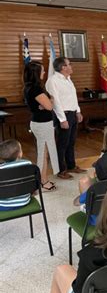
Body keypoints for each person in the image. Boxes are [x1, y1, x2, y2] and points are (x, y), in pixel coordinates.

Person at [46, 57, 86, 179]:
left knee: (71, 142)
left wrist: (78, 111)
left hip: (72, 113)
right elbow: (56, 102)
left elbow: (73, 98)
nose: (71, 66)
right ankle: (60, 170)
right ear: (63, 67)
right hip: (62, 114)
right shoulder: (52, 81)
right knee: (62, 143)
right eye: (69, 64)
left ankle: (71, 165)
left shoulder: (68, 79)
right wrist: (62, 119)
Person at [23, 61, 59, 191]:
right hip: (42, 124)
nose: (44, 72)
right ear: (36, 73)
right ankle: (42, 182)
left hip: (40, 122)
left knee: (44, 153)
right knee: (43, 154)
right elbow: (50, 106)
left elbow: (46, 105)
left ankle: (43, 179)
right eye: (42, 71)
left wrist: (46, 104)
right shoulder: (36, 89)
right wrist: (50, 102)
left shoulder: (29, 87)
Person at [73, 154, 107, 226]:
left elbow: (75, 203)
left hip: (97, 224)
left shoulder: (93, 191)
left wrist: (85, 194)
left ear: (95, 174)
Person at [0, 140, 34, 210]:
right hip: (24, 201)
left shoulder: (1, 169)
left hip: (3, 205)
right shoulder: (28, 164)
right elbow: (33, 183)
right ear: (20, 154)